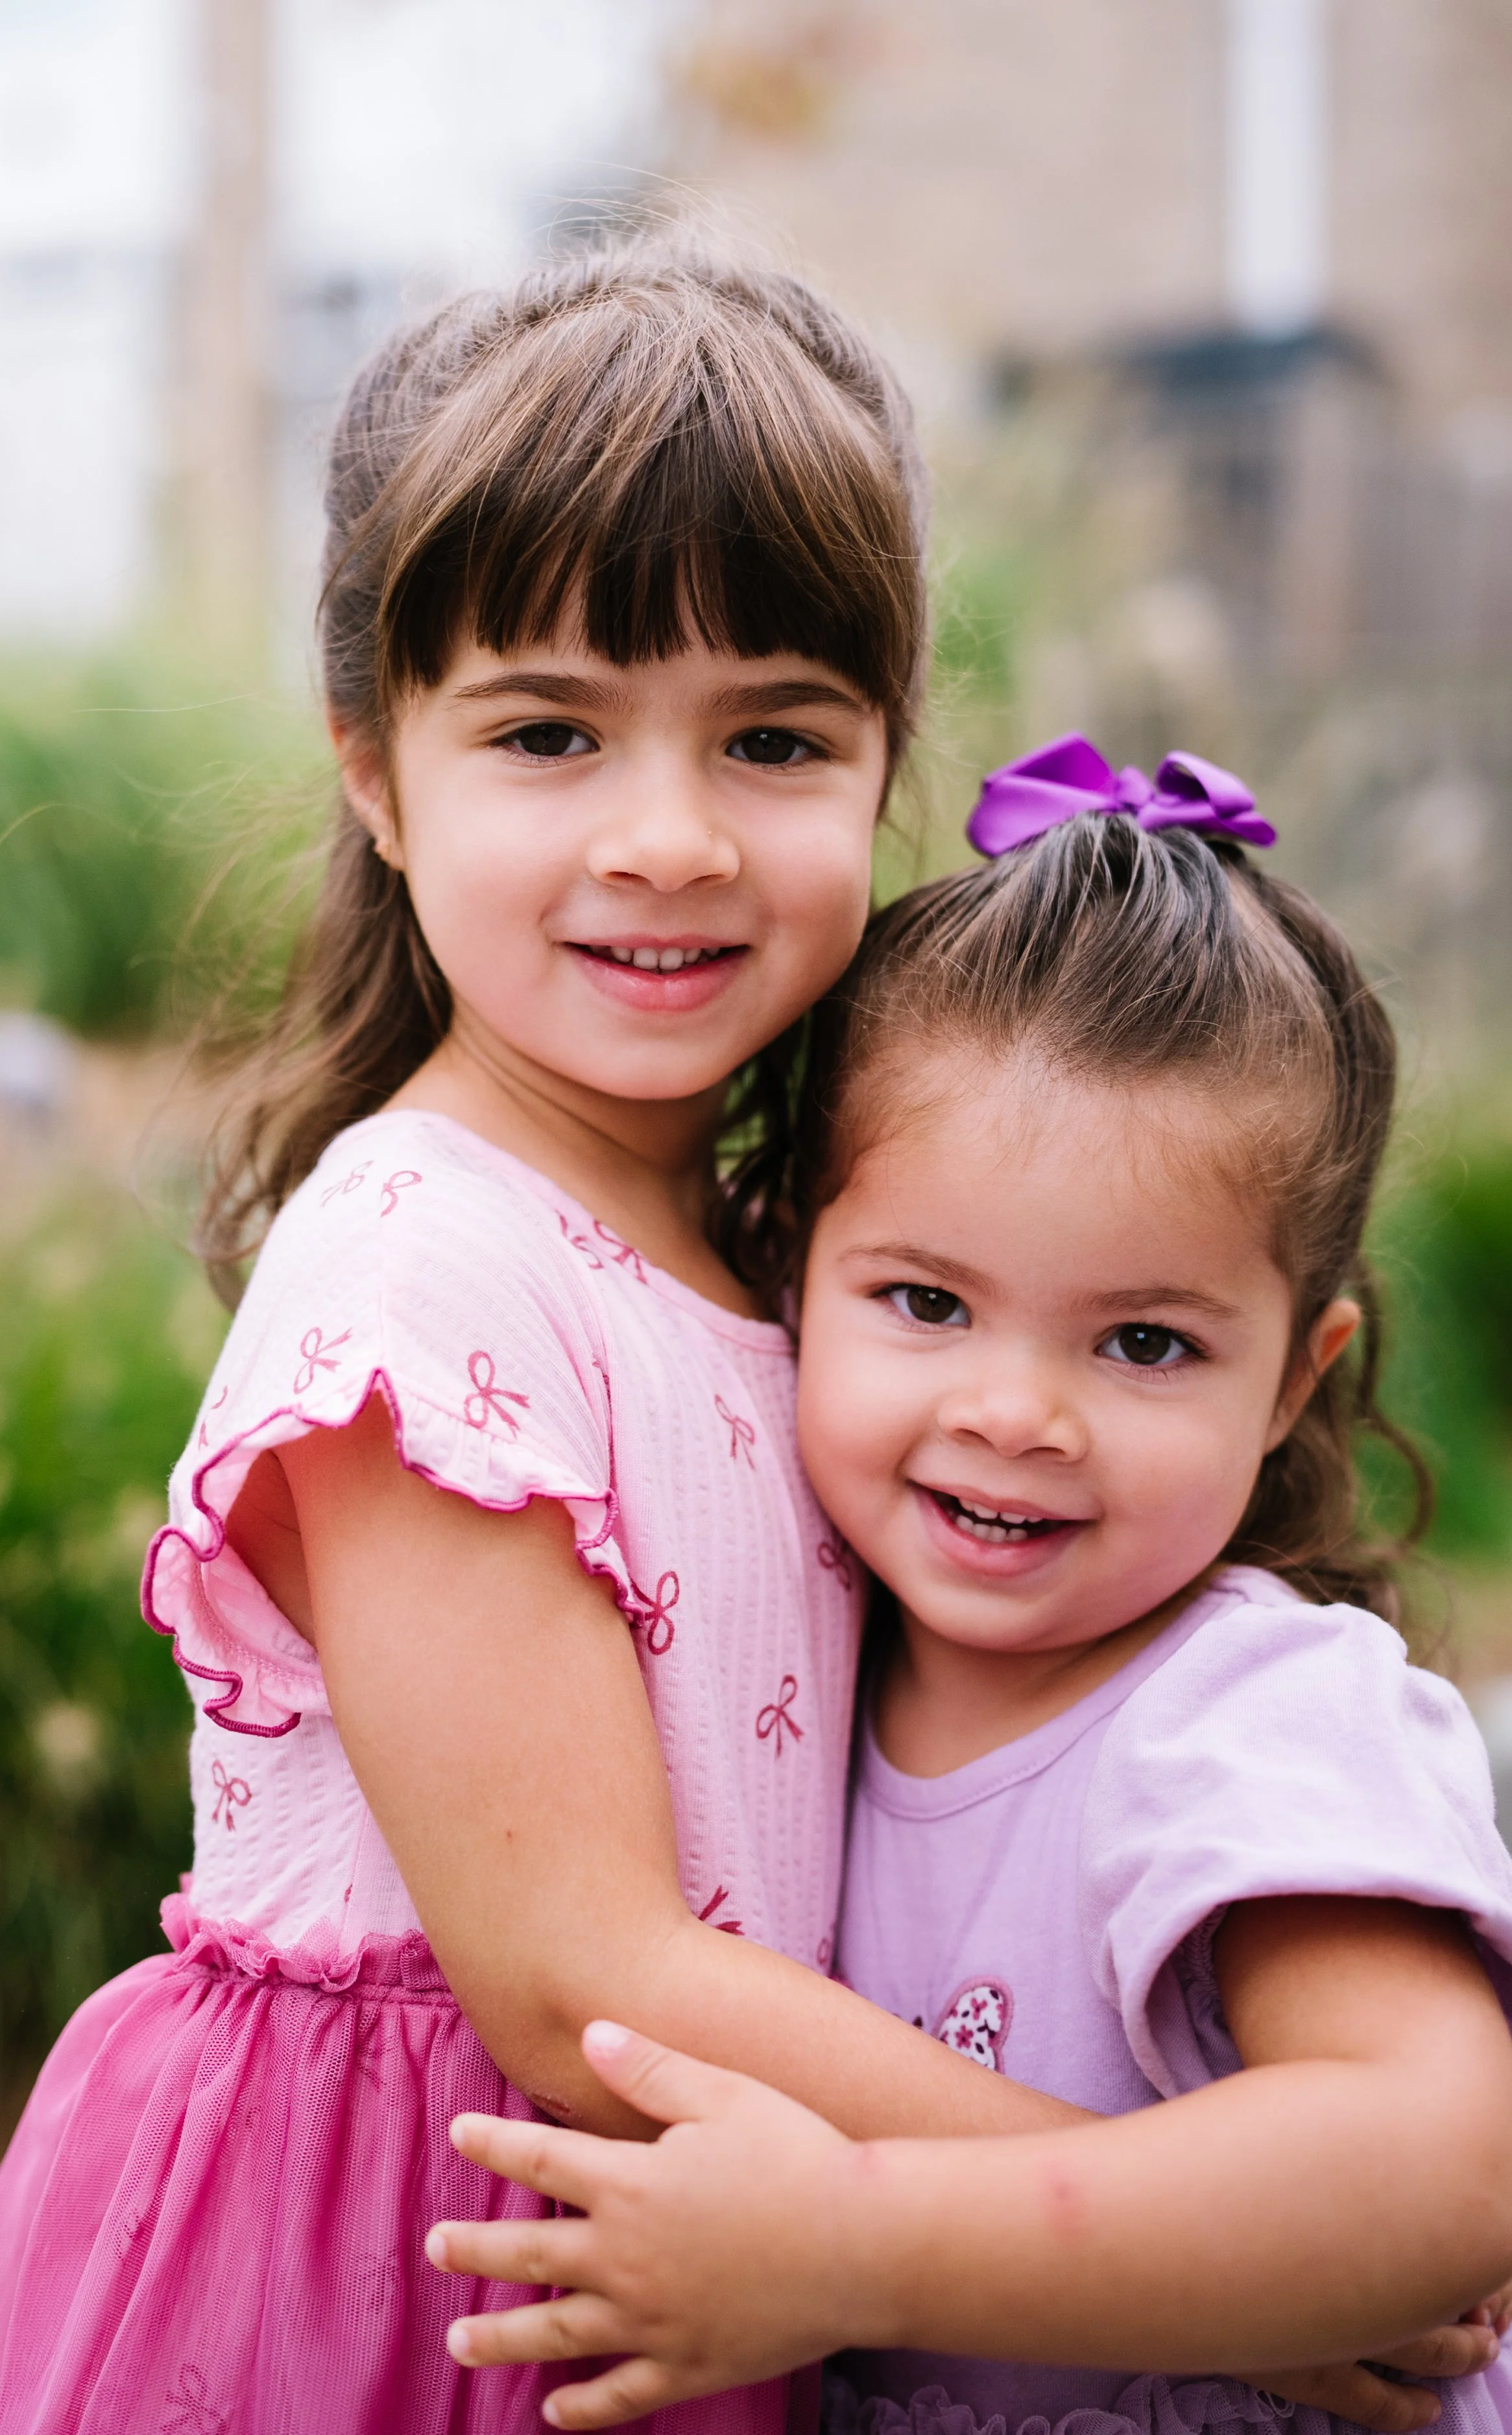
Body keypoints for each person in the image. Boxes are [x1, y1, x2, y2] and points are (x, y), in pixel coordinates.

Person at [0, 246, 1090, 2435]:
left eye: (772, 737)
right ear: (380, 779)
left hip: (689, 2223)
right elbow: (578, 1967)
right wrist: (1155, 2226)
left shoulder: (788, 1242)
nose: (666, 837)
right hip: (425, 2266)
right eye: (546, 734)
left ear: (883, 771)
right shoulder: (423, 1269)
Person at [424, 736, 1512, 2435]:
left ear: (1293, 1376)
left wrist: (858, 2247)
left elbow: (1437, 2183)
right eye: (923, 1303)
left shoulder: (1242, 1720)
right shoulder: (795, 1661)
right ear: (788, 1264)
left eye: (1142, 1342)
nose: (1013, 1412)